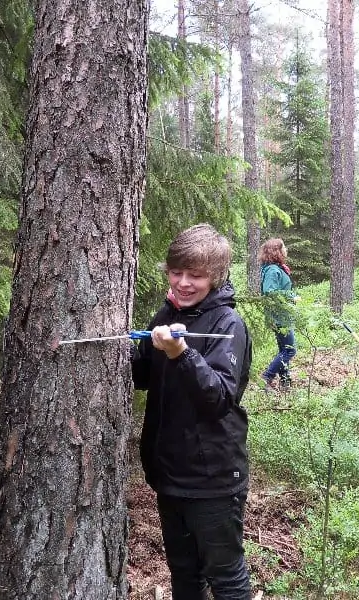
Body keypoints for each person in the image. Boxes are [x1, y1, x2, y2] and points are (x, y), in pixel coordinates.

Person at [131, 224, 252, 600]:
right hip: (170, 475)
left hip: (213, 479)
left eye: (195, 275)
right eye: (176, 272)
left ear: (215, 277)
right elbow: (143, 376)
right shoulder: (167, 314)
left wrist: (181, 354)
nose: (183, 283)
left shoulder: (228, 325)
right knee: (184, 573)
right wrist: (133, 347)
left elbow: (218, 398)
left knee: (225, 576)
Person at [258, 238, 297, 391]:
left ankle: (285, 381)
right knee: (290, 350)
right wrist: (291, 296)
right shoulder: (273, 270)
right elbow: (269, 292)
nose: (285, 250)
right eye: (283, 248)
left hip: (280, 315)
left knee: (284, 349)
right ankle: (266, 377)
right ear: (277, 251)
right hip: (279, 317)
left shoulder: (275, 269)